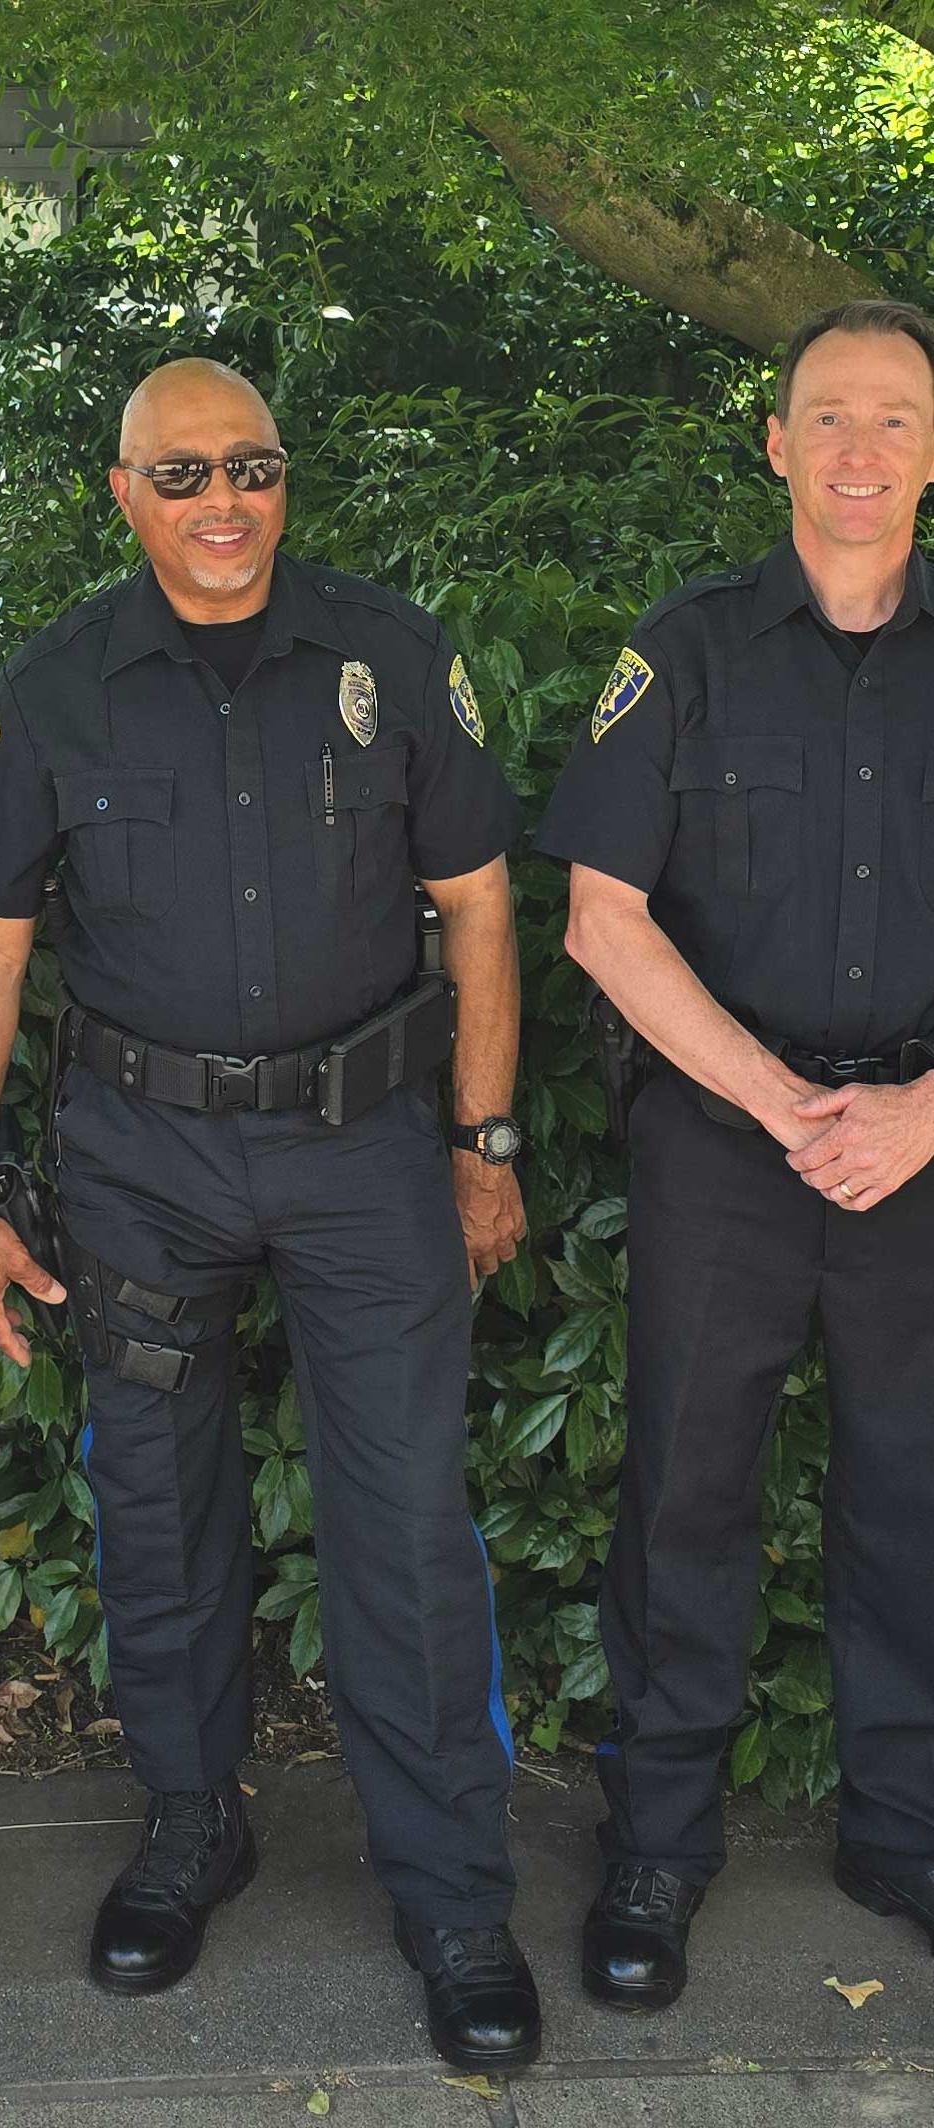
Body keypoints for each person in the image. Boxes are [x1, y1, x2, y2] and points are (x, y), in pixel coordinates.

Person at [0, 356, 541, 2071]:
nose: (222, 504)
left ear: (288, 483)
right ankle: (196, 1821)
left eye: (252, 469)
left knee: (407, 1517)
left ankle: (451, 1893)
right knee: (155, 1498)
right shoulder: (55, 689)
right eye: (182, 474)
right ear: (120, 493)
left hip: (365, 1151)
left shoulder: (393, 659)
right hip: (140, 1154)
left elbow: (479, 908)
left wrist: (485, 1139)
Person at [534, 300, 934, 2009]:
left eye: (897, 418)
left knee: (914, 1492)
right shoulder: (683, 654)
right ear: (774, 443)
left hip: (925, 1143)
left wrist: (922, 1116)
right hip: (724, 1145)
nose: (860, 447)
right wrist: (784, 1107)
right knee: (687, 1493)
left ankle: (904, 1828)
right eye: (827, 415)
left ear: (933, 450)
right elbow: (601, 921)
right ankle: (662, 1838)